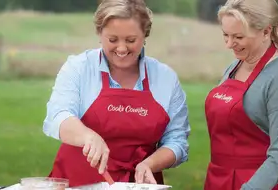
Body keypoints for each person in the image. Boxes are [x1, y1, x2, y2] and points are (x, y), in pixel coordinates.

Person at [42, 0, 190, 187]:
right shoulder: (78, 68)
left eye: (130, 40)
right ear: (99, 34)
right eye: (113, 40)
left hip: (138, 185)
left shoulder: (165, 78)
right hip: (77, 183)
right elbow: (59, 115)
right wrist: (88, 136)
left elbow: (177, 140)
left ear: (145, 35)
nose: (121, 49)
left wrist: (150, 164)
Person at [204, 0, 278, 189]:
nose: (229, 44)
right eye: (226, 35)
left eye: (238, 36)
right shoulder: (233, 67)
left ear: (265, 31)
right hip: (222, 179)